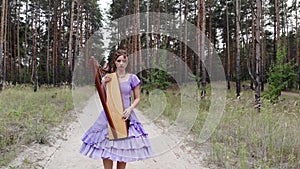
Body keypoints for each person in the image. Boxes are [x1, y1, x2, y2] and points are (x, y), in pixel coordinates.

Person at [80, 49, 153, 169]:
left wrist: (130, 109)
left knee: (123, 150)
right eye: (119, 61)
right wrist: (102, 82)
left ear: (127, 62)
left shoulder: (132, 78)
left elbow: (137, 98)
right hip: (108, 116)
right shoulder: (109, 77)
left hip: (125, 116)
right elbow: (103, 97)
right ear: (115, 62)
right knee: (107, 150)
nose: (121, 63)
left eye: (124, 60)